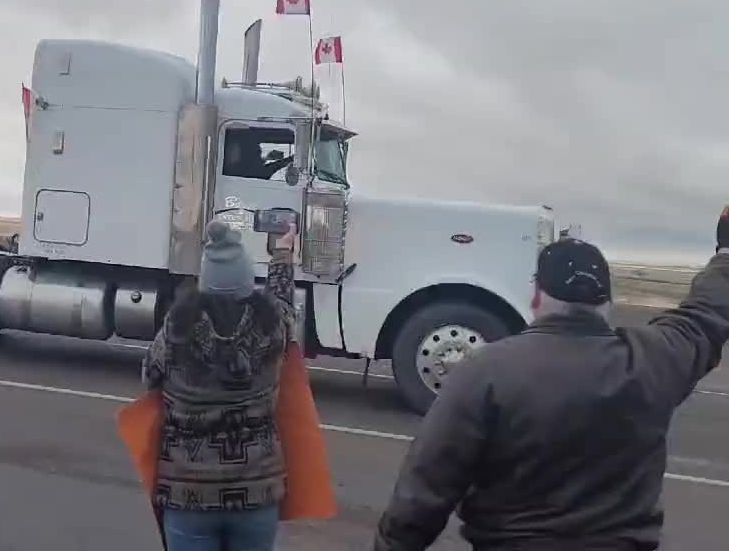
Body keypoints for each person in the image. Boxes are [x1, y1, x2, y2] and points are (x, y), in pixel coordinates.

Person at [374, 222, 729, 551]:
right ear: (607, 303)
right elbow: (704, 316)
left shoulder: (484, 372)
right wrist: (726, 255)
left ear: (536, 297)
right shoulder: (653, 359)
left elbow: (423, 493)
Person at [142, 218, 298, 551]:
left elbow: (149, 377)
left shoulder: (175, 332)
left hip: (188, 495)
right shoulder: (273, 328)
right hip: (257, 494)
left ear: (205, 282)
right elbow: (284, 302)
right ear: (245, 279)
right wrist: (283, 255)